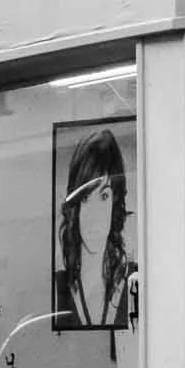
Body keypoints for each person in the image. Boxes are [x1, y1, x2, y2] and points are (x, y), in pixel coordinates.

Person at [55, 127, 135, 331]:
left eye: (104, 196)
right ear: (76, 208)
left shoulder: (136, 281)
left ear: (115, 201)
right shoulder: (60, 288)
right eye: (85, 198)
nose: (95, 216)